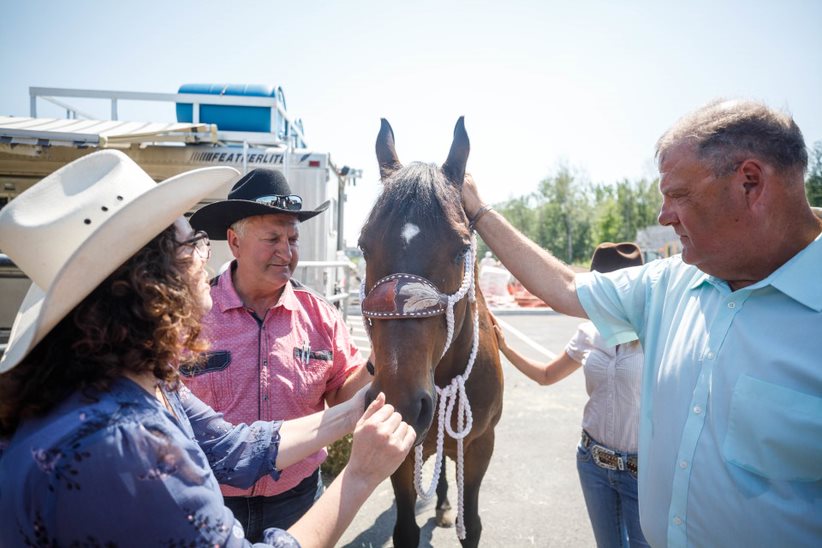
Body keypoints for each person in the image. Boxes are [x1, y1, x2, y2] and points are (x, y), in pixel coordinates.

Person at [0, 150, 414, 547]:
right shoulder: (126, 442)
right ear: (151, 277)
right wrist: (359, 475)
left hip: (294, 496)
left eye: (292, 238)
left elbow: (231, 448)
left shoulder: (146, 384)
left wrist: (359, 405)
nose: (205, 255)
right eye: (193, 243)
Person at [463, 99, 822, 547]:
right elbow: (565, 287)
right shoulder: (668, 283)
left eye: (678, 194)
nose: (663, 215)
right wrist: (478, 211)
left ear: (750, 183)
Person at [185, 168, 373, 540]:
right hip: (210, 502)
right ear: (235, 242)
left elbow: (342, 396)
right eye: (272, 238)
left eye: (292, 238)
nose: (286, 252)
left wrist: (379, 357)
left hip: (298, 501)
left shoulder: (319, 315)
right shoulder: (190, 315)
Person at [493, 242, 649, 548]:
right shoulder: (588, 333)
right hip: (593, 463)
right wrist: (505, 348)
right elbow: (546, 376)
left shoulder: (656, 332)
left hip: (642, 472)